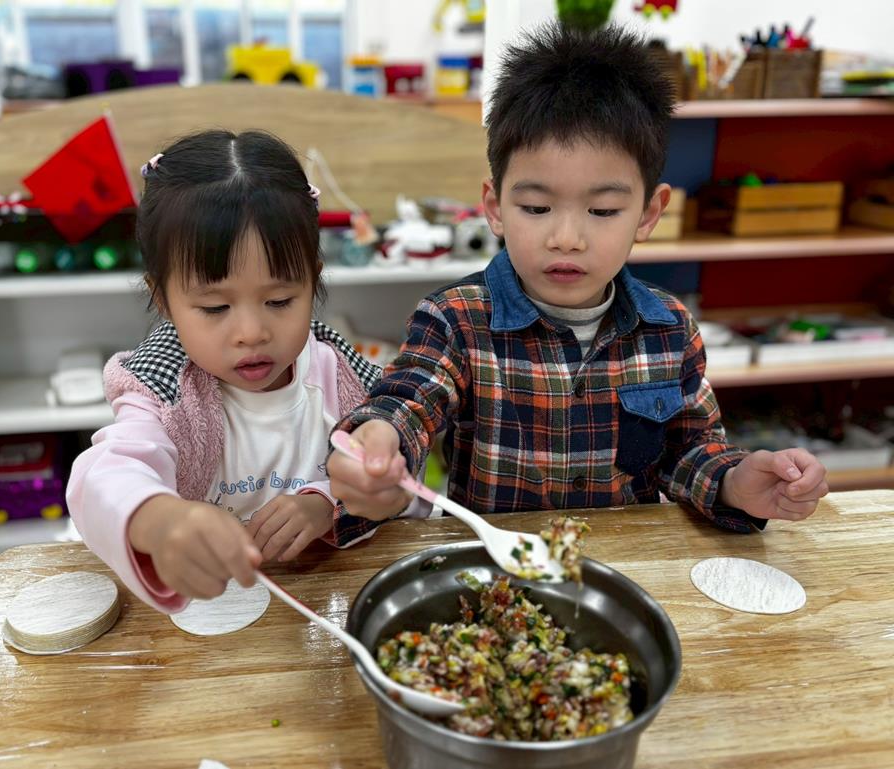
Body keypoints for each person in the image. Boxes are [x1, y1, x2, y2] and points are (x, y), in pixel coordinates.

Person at [327, 23, 828, 531]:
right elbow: (409, 401)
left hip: (624, 565)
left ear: (648, 214)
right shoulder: (456, 320)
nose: (566, 238)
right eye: (536, 207)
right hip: (498, 568)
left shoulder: (670, 329)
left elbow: (690, 449)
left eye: (603, 211)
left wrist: (734, 482)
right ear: (494, 208)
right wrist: (380, 440)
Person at [68, 129, 381, 612]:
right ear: (163, 300)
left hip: (322, 606)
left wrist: (328, 504)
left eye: (280, 300)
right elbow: (103, 477)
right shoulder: (163, 391)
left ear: (313, 282)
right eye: (215, 308)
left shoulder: (342, 377)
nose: (251, 333)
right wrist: (161, 520)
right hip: (205, 614)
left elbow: (399, 486)